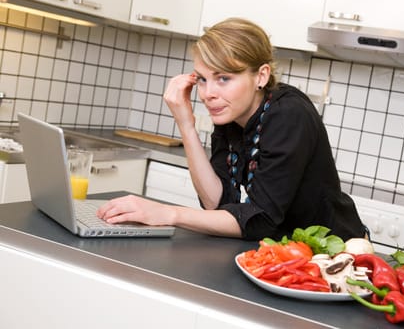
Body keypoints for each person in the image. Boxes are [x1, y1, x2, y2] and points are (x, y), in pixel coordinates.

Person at [96, 17, 367, 241]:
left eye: (224, 78)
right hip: (286, 251)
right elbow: (217, 202)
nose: (207, 93)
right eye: (202, 79)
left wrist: (168, 214)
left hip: (333, 251)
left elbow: (260, 220)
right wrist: (186, 124)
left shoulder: (288, 115)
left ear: (260, 76)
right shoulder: (230, 114)